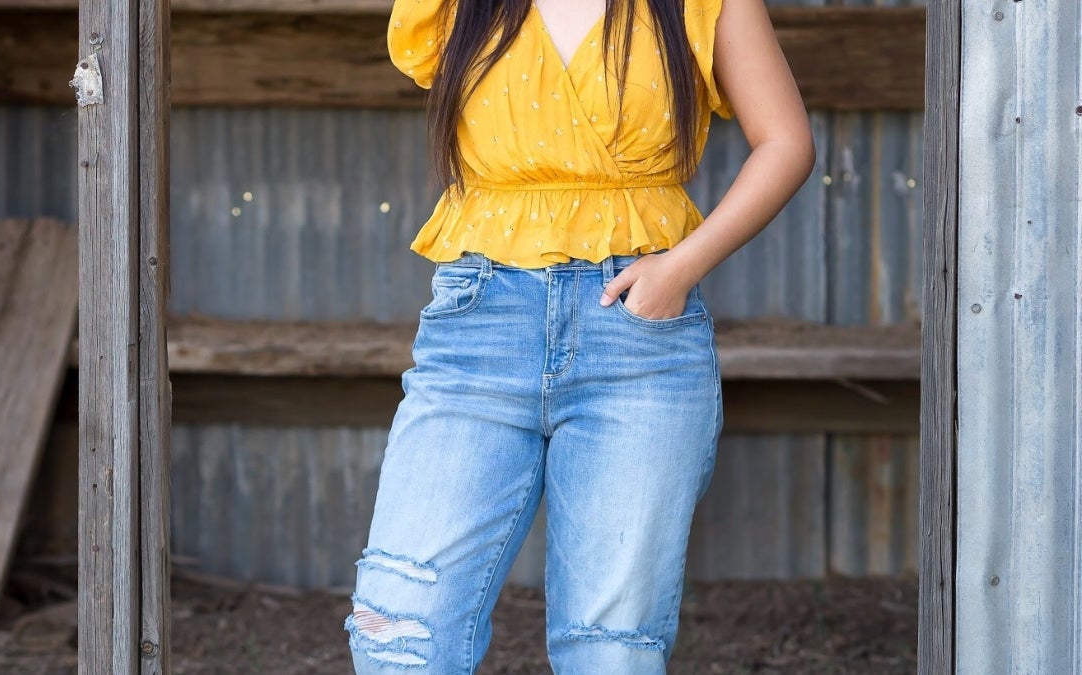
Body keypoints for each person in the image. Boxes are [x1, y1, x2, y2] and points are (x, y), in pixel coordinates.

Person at [345, 0, 814, 672]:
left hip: (635, 342)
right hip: (479, 328)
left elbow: (787, 142)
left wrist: (680, 268)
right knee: (397, 633)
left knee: (610, 650)